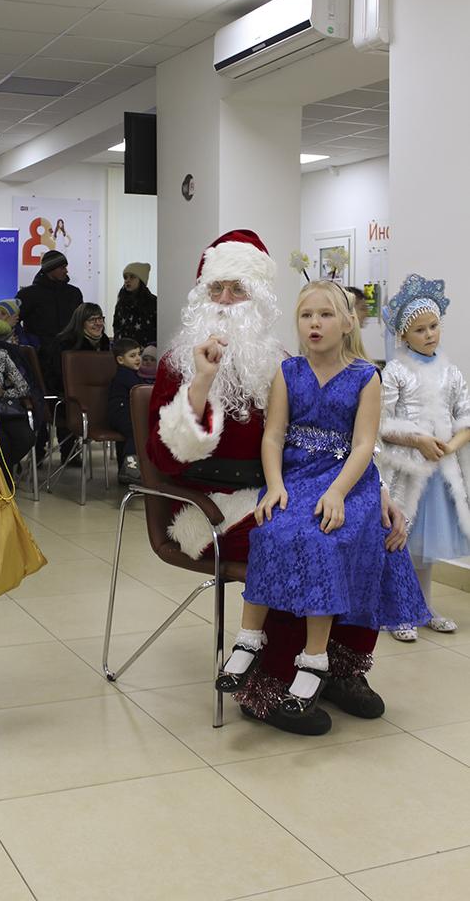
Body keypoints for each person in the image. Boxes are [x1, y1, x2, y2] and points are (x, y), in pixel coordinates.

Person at [148, 229, 409, 736]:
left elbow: (330, 442)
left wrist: (376, 494)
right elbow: (165, 459)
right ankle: (268, 684)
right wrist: (201, 382)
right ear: (201, 294)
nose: (226, 300)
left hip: (289, 486)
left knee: (374, 532)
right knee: (300, 540)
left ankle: (339, 664)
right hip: (208, 502)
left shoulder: (281, 362)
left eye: (238, 289)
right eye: (217, 288)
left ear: (260, 299)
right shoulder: (177, 364)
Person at [219, 280, 429, 723]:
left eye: (326, 314)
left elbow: (363, 445)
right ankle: (248, 641)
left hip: (347, 482)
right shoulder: (288, 371)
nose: (314, 323)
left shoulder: (365, 376)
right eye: (306, 315)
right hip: (296, 477)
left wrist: (337, 492)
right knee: (272, 530)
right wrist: (275, 484)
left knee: (328, 539)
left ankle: (317, 661)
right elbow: (273, 436)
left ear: (348, 322)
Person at [380, 273, 470, 641]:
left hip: (438, 470)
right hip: (405, 470)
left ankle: (425, 606)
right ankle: (397, 610)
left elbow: (465, 417)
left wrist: (450, 445)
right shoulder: (396, 371)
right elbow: (381, 422)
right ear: (404, 335)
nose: (429, 334)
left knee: (425, 548)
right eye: (419, 330)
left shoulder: (452, 372)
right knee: (400, 539)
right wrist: (417, 440)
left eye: (433, 326)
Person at [46, 303, 109, 464]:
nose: (98, 323)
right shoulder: (65, 343)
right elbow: (57, 377)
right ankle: (68, 453)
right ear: (81, 323)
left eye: (100, 318)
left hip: (97, 396)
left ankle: (127, 464)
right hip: (65, 396)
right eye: (92, 320)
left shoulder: (104, 341)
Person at [0, 316, 37, 478]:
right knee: (0, 441)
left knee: (26, 438)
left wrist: (3, 393)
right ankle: (3, 482)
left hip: (2, 408)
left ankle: (0, 477)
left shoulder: (1, 355)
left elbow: (23, 387)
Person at [17, 250, 83, 358]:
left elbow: (82, 321)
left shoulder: (74, 293)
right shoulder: (28, 294)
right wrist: (27, 343)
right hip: (40, 357)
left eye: (66, 267)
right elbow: (13, 321)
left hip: (70, 353)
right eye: (62, 267)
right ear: (50, 269)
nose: (66, 271)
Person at [108, 338, 148, 483]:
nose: (138, 358)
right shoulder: (125, 374)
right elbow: (139, 390)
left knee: (134, 429)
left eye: (139, 354)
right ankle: (131, 465)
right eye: (132, 355)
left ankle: (124, 470)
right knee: (136, 430)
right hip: (120, 412)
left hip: (123, 412)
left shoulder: (132, 373)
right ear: (120, 360)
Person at [113, 263, 157, 348]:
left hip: (147, 352)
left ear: (141, 280)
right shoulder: (121, 303)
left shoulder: (153, 302)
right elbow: (116, 327)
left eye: (132, 277)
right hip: (124, 351)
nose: (127, 280)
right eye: (125, 277)